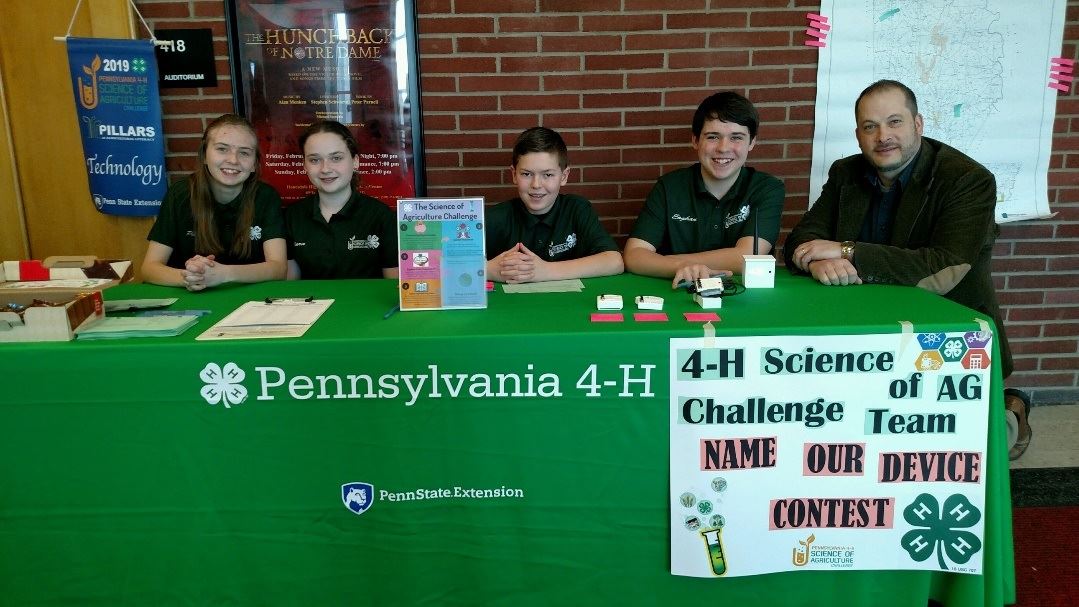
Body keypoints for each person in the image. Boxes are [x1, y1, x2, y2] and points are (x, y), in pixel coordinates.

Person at [784, 79, 1031, 459]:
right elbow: (802, 240)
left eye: (894, 122)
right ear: (858, 134)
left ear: (918, 124)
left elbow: (942, 267)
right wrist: (821, 260)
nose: (883, 136)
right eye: (870, 127)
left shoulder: (967, 180)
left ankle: (1010, 409)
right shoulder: (846, 173)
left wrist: (847, 250)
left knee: (969, 457)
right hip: (865, 333)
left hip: (948, 338)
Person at [623, 91, 785, 288]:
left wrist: (674, 262)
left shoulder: (767, 189)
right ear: (695, 140)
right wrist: (684, 267)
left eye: (736, 137)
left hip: (744, 299)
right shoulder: (669, 187)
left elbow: (748, 257)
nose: (724, 148)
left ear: (752, 142)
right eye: (713, 136)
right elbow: (634, 256)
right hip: (678, 294)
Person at [142, 114, 286, 291]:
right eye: (222, 149)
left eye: (244, 153)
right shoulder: (180, 195)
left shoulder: (266, 197)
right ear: (204, 155)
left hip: (248, 299)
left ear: (255, 163)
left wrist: (224, 274)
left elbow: (279, 268)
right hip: (191, 297)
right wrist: (193, 277)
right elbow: (149, 268)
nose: (233, 160)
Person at [485, 127, 623, 283]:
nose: (536, 184)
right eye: (526, 174)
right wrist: (487, 270)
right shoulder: (495, 218)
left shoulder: (577, 209)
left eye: (548, 175)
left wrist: (544, 271)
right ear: (514, 174)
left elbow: (614, 261)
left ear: (564, 176)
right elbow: (452, 267)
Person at [285, 120, 398, 279]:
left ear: (355, 161)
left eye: (336, 158)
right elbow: (291, 287)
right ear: (304, 165)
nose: (325, 169)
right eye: (314, 160)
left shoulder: (382, 217)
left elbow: (392, 286)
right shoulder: (292, 216)